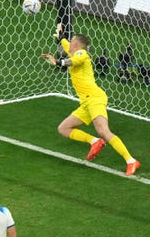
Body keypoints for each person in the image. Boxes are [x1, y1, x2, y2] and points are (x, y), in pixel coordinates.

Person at [41, 28, 141, 176]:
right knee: (63, 128)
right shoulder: (74, 51)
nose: (69, 45)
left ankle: (131, 161)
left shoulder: (82, 54)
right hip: (86, 103)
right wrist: (61, 36)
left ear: (77, 44)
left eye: (72, 42)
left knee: (103, 130)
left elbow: (75, 59)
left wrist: (57, 62)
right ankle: (95, 141)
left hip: (94, 99)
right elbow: (67, 48)